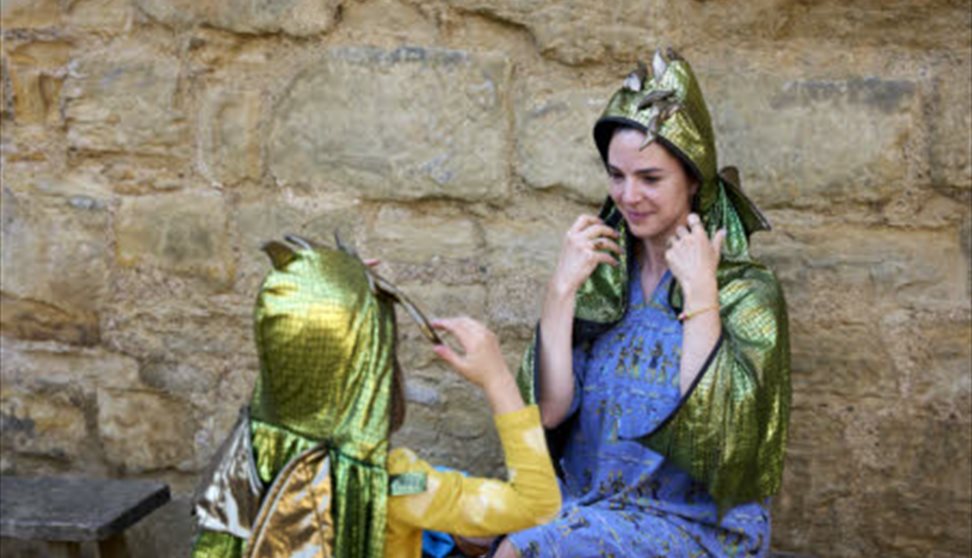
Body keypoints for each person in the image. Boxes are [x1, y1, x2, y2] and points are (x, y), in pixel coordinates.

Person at [495, 49, 791, 557]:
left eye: (650, 178)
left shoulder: (747, 293)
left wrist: (701, 295)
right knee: (466, 526)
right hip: (590, 503)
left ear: (694, 178)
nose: (629, 196)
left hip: (696, 525)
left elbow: (718, 446)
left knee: (527, 550)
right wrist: (560, 291)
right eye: (616, 176)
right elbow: (548, 412)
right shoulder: (605, 276)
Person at [190, 236, 560, 558]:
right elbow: (537, 504)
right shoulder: (394, 487)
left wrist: (322, 285)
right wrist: (498, 380)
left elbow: (288, 340)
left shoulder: (249, 454)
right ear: (375, 375)